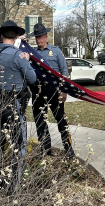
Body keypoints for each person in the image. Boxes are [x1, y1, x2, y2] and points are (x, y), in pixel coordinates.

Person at [0, 20, 37, 192]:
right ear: (16, 36)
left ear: (1, 35)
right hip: (13, 104)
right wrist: (26, 61)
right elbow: (32, 79)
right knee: (17, 144)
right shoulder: (18, 55)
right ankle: (13, 187)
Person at [27, 22, 75, 159]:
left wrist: (64, 91)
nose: (38, 39)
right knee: (40, 122)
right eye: (36, 37)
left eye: (40, 36)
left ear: (46, 36)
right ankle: (46, 150)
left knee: (61, 120)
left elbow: (64, 71)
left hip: (54, 91)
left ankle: (69, 149)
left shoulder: (56, 51)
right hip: (38, 91)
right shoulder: (32, 53)